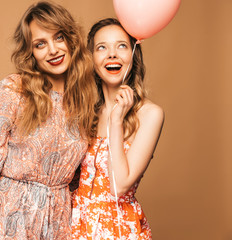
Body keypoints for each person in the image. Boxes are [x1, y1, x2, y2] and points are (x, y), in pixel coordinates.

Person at [0, 1, 97, 239]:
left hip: (59, 224)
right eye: (40, 44)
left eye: (59, 38)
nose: (53, 50)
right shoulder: (14, 90)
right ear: (31, 53)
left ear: (71, 40)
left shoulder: (84, 100)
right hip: (9, 218)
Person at [71, 18, 164, 239]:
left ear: (133, 55)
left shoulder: (150, 114)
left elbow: (118, 186)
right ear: (92, 59)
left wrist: (116, 121)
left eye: (121, 45)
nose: (112, 54)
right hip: (74, 227)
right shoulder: (84, 112)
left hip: (119, 229)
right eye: (102, 47)